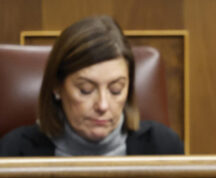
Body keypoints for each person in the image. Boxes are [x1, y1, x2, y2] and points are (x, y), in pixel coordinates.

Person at [0, 15, 184, 156]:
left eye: (116, 90)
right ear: (56, 86)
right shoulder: (15, 152)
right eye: (85, 90)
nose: (102, 105)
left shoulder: (162, 147)